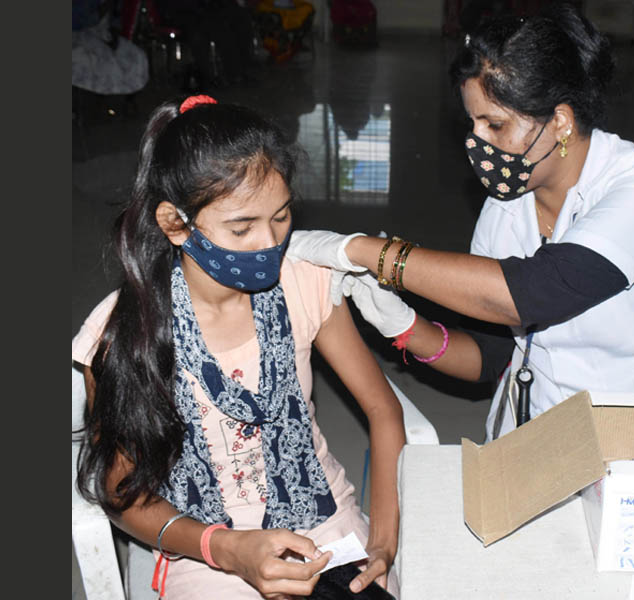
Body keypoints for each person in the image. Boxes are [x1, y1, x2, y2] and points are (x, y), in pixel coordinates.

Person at [283, 3, 634, 447]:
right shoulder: (505, 208)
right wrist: (401, 324)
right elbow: (489, 358)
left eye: (495, 125)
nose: (476, 142)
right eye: (472, 123)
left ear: (560, 122)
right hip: (556, 440)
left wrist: (368, 252)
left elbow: (536, 291)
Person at [72, 95, 403, 599]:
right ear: (175, 223)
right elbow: (121, 491)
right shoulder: (122, 333)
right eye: (242, 227)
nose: (269, 243)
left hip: (322, 518)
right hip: (202, 546)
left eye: (281, 216)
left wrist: (382, 541)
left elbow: (382, 408)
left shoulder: (304, 284)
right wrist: (225, 549)